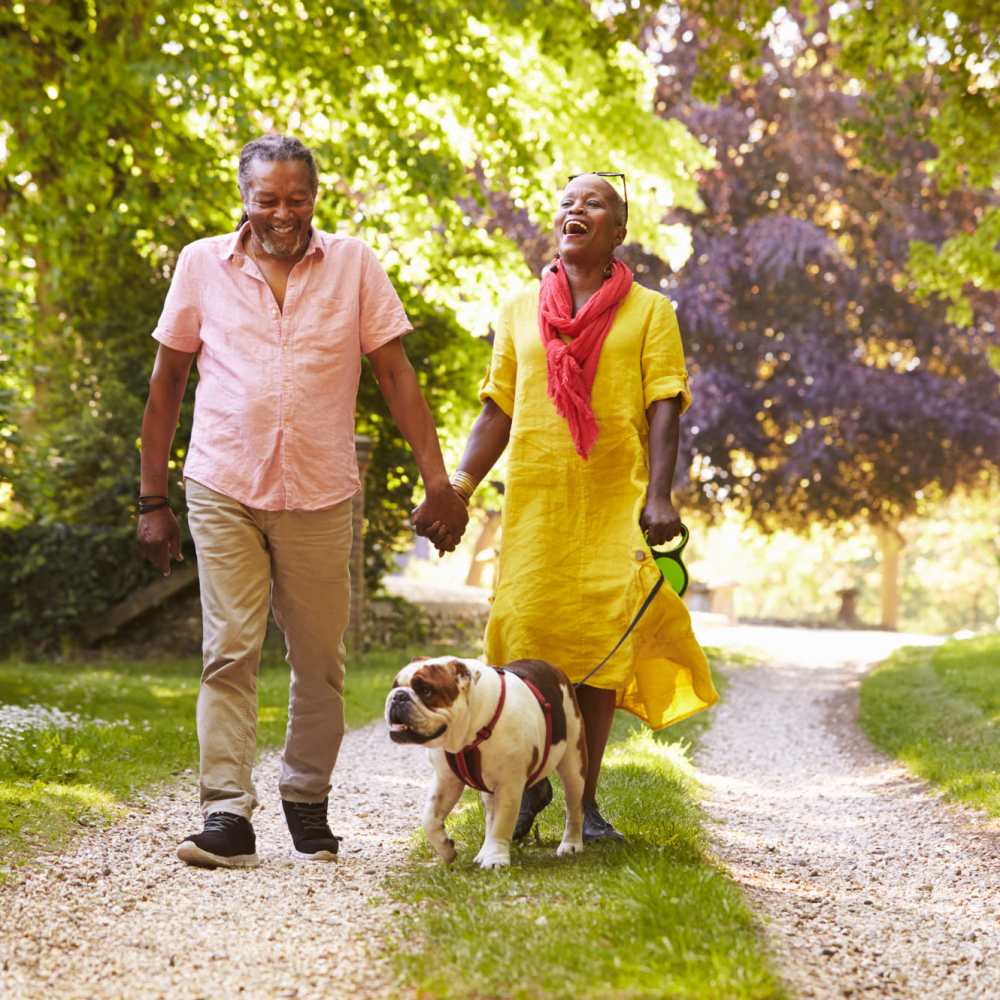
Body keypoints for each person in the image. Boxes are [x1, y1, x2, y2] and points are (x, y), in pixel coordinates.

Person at [137, 133, 468, 868]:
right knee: (229, 651)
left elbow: (395, 374)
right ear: (244, 200)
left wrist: (437, 480)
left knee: (320, 659)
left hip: (319, 493)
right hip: (223, 482)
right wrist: (150, 499)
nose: (282, 215)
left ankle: (306, 798)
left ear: (315, 198)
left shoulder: (353, 264)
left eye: (297, 199)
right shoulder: (201, 264)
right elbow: (166, 385)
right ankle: (226, 814)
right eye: (267, 201)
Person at [416, 173, 718, 842]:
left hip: (613, 503)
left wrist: (660, 495)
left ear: (618, 232)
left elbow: (664, 404)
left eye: (595, 203)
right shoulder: (520, 308)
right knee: (524, 640)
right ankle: (525, 787)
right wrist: (460, 487)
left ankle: (587, 800)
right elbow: (499, 406)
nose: (575, 210)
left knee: (596, 654)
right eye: (567, 202)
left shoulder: (650, 312)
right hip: (537, 505)